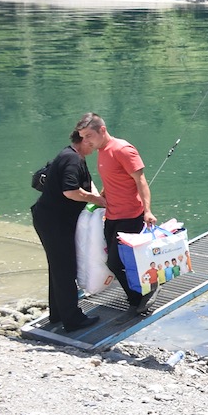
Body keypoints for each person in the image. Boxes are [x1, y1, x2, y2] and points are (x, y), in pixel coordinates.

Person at [76, 112, 159, 314]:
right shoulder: (102, 151)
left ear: (102, 130)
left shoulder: (123, 149)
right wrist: (99, 200)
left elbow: (141, 181)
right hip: (112, 216)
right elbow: (112, 180)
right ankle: (141, 292)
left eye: (88, 135)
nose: (85, 141)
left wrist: (147, 211)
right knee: (114, 261)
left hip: (131, 216)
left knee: (115, 261)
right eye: (82, 137)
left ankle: (140, 298)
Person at [31, 117, 107, 330]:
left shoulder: (73, 156)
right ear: (83, 140)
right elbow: (71, 191)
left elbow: (85, 187)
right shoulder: (72, 159)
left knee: (58, 266)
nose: (93, 146)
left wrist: (100, 199)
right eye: (91, 141)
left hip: (50, 218)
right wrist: (97, 200)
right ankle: (73, 319)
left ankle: (57, 313)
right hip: (53, 221)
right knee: (65, 268)